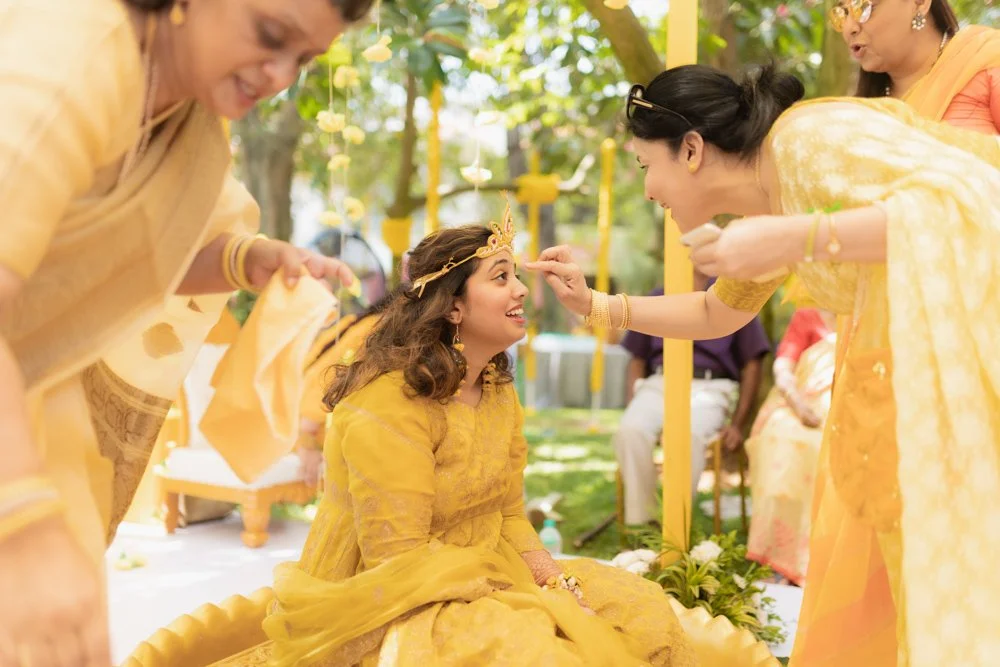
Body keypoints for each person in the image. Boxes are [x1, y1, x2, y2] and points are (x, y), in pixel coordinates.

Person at [527, 63, 1000, 666]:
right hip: (913, 384)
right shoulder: (769, 212)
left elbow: (969, 204)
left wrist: (793, 239)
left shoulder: (806, 138)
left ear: (691, 149)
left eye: (646, 166)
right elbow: (714, 312)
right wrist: (595, 305)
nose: (647, 191)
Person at [0, 0, 372, 664]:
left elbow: (132, 253)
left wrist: (244, 260)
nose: (281, 76)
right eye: (270, 35)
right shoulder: (70, 57)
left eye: (305, 59)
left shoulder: (188, 113)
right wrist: (21, 521)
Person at [213, 213, 697, 666]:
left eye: (516, 276)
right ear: (453, 307)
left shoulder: (496, 389)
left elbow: (508, 514)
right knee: (536, 650)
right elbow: (396, 559)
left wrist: (557, 584)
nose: (521, 290)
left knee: (641, 609)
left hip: (489, 571)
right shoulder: (390, 402)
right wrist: (514, 599)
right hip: (395, 598)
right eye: (501, 277)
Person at [615, 273, 768, 526]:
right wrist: (634, 401)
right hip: (659, 382)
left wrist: (737, 424)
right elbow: (637, 358)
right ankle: (644, 523)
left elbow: (752, 362)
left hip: (710, 386)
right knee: (630, 431)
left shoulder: (735, 296)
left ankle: (676, 523)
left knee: (688, 434)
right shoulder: (658, 295)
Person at [745, 308, 836, 586]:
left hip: (846, 405)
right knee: (782, 439)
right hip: (802, 404)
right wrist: (799, 405)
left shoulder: (867, 315)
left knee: (829, 448)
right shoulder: (807, 316)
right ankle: (779, 561)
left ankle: (824, 559)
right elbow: (784, 367)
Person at [832, 0, 999, 131]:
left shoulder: (985, 59)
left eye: (863, 7)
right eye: (843, 14)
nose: (848, 28)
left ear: (920, 3)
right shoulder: (861, 115)